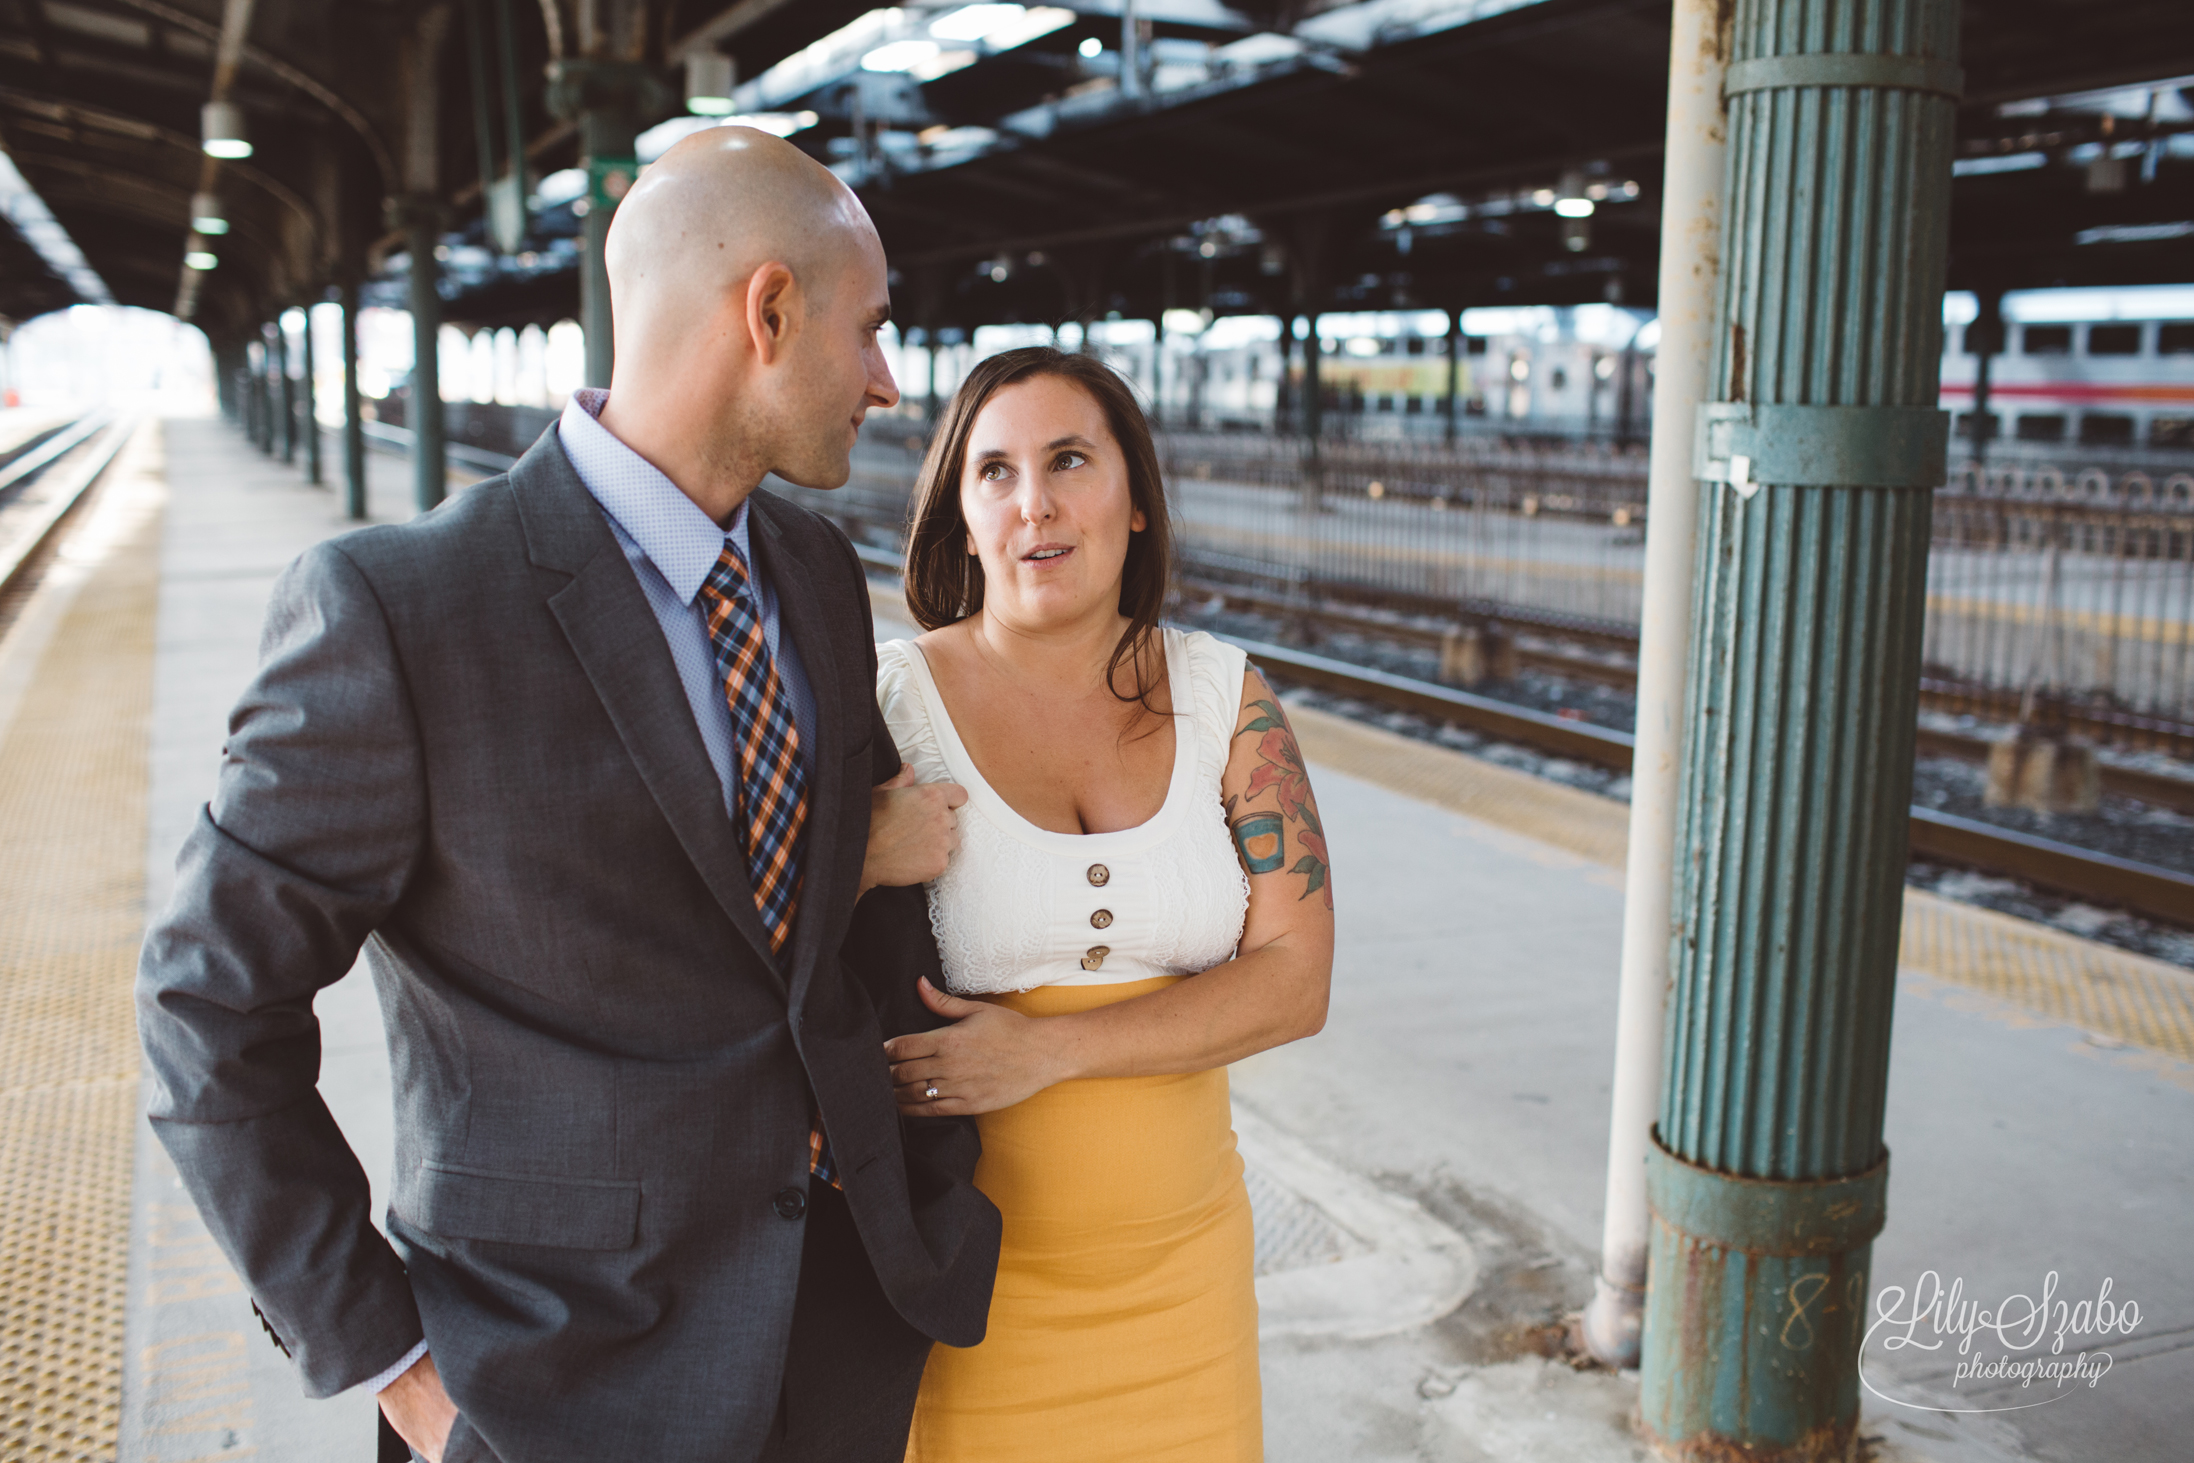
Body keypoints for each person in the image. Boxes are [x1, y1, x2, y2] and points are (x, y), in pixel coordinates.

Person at [134, 128, 998, 1463]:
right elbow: (206, 999)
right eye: (871, 329)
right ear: (768, 310)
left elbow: (846, 932)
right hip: (545, 1382)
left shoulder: (817, 573)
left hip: (837, 1331)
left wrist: (926, 1182)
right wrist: (391, 1359)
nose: (888, 382)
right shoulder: (399, 609)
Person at [873, 347, 1337, 1461]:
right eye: (994, 471)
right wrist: (854, 857)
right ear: (962, 517)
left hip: (1187, 1289)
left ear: (1133, 500)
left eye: (1069, 459)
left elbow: (1296, 981)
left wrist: (1048, 1051)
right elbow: (757, 938)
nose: (1034, 501)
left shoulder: (1227, 695)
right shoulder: (886, 703)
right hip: (967, 1300)